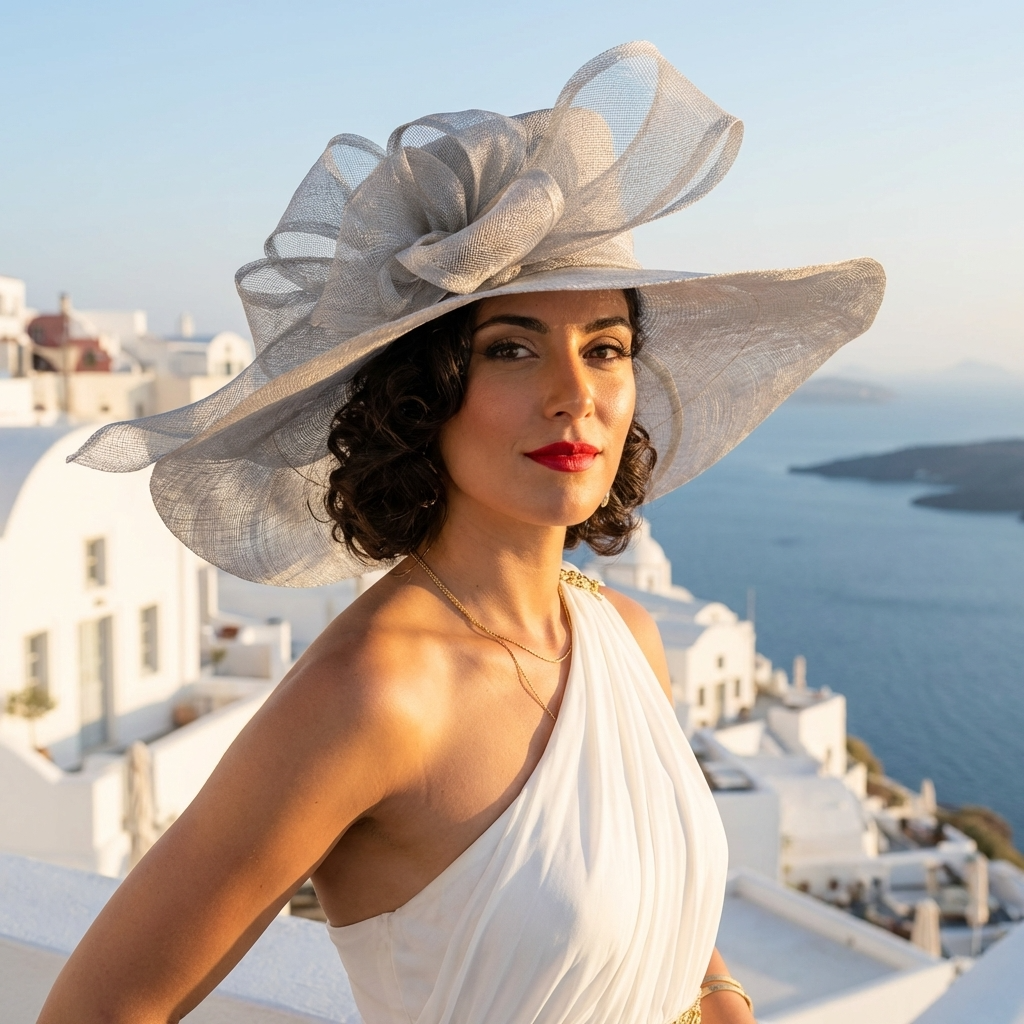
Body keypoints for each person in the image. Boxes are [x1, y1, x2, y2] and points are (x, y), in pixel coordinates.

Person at [41, 42, 884, 1024]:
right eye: (511, 349)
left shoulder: (626, 639)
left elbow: (655, 919)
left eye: (605, 348)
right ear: (423, 396)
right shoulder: (373, 693)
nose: (574, 394)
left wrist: (723, 997)